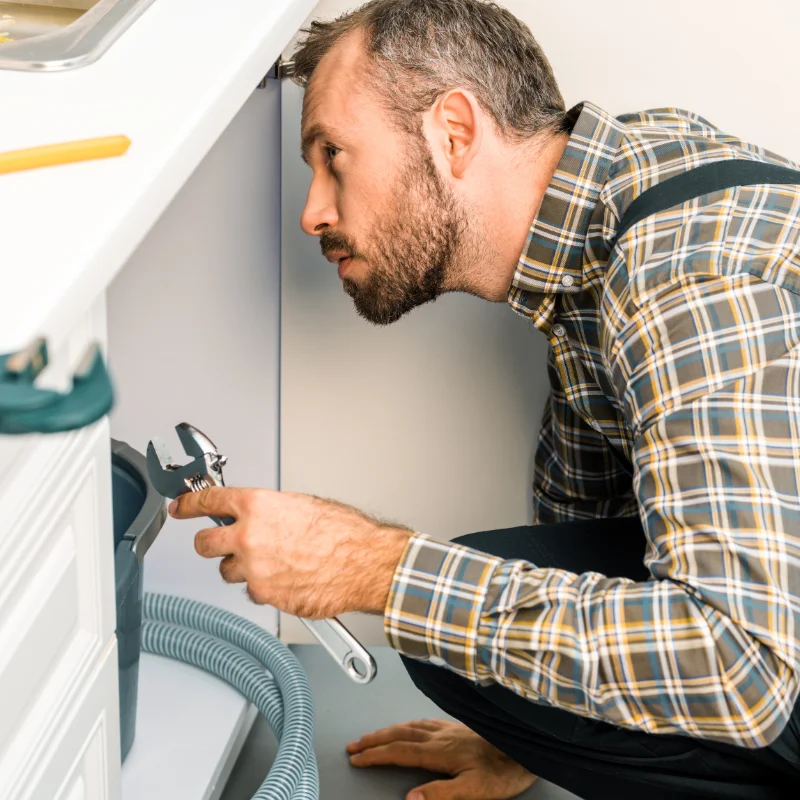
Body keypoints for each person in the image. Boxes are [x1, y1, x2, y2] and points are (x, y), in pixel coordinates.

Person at [167, 1, 800, 797]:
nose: (313, 212)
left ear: (454, 132)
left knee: (437, 603)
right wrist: (531, 740)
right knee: (464, 639)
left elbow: (746, 666)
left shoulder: (683, 275)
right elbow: (592, 523)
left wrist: (373, 567)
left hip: (768, 643)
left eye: (333, 155)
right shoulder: (599, 215)